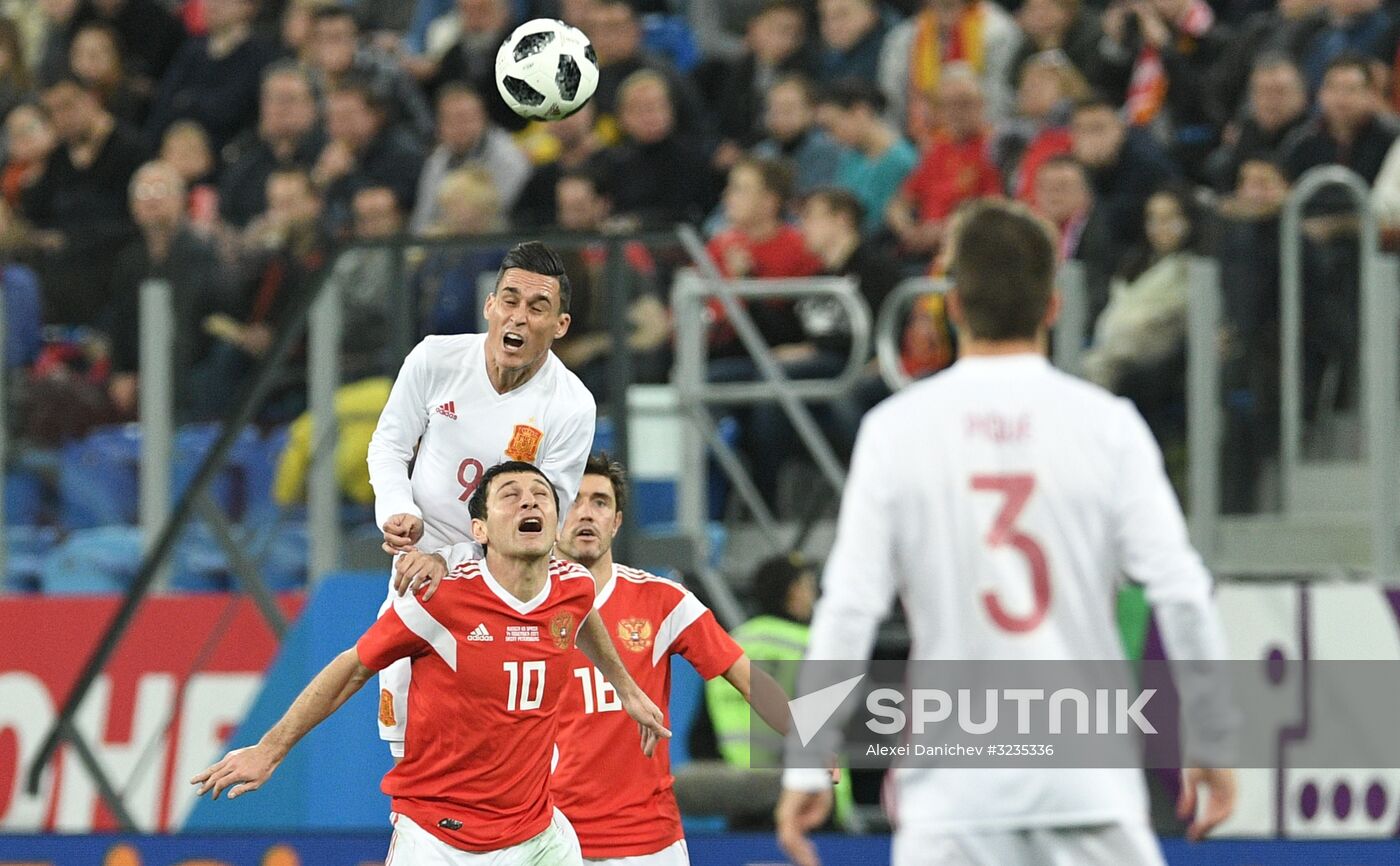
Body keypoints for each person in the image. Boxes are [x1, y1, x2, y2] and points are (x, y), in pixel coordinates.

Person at [775, 199, 1236, 866]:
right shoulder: (1108, 426)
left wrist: (806, 761)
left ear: (953, 305)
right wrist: (1214, 740)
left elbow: (849, 608)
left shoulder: (897, 430)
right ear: (1053, 305)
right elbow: (1183, 592)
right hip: (1088, 785)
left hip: (953, 797)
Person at [192, 460, 670, 866]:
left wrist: (626, 688)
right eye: (511, 495)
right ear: (479, 530)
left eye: (541, 495)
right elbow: (352, 667)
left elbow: (582, 616)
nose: (530, 503)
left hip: (536, 835)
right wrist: (270, 749)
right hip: (441, 839)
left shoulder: (573, 586)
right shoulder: (441, 598)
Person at [368, 240, 598, 760]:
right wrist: (396, 510)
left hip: (503, 591)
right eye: (510, 300)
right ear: (489, 306)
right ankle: (420, 832)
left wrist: (447, 561)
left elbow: (539, 525)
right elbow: (389, 444)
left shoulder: (570, 406)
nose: (519, 316)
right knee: (407, 741)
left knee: (502, 747)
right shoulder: (435, 359)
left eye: (537, 307)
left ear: (560, 326)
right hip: (416, 577)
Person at [549, 454, 794, 865]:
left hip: (649, 843)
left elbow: (748, 677)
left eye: (600, 502)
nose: (586, 513)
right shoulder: (523, 609)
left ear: (617, 521)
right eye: (573, 502)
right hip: (553, 840)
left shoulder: (662, 601)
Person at [104, 160, 230, 422]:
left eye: (160, 192)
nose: (151, 201)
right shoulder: (130, 260)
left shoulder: (198, 255)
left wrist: (154, 381)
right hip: (147, 367)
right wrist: (122, 371)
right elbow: (121, 321)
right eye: (143, 194)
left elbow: (188, 330)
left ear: (181, 200)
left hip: (194, 370)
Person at [409, 83, 532, 234]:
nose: (459, 126)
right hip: (446, 244)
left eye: (466, 118)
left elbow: (499, 214)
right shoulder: (438, 159)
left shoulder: (509, 158)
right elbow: (423, 216)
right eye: (450, 120)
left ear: (483, 118)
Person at [816, 77, 917, 237]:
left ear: (860, 112)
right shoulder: (850, 158)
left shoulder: (903, 161)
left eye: (832, 126)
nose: (830, 137)